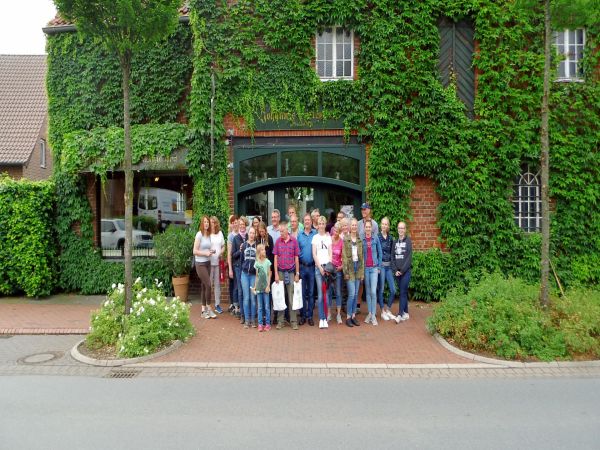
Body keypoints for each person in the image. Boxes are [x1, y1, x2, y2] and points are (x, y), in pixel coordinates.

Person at [273, 220, 300, 330]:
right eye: (279, 231)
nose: (280, 233)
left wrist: (297, 273)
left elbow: (296, 258)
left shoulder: (294, 241)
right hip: (280, 272)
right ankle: (280, 321)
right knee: (280, 297)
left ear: (287, 230)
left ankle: (293, 321)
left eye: (282, 231)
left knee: (291, 298)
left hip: (291, 272)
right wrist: (276, 274)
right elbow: (275, 258)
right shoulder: (278, 242)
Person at [193, 216, 216, 319]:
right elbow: (194, 251)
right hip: (200, 264)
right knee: (209, 285)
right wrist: (205, 253)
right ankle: (209, 308)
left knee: (204, 286)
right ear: (202, 224)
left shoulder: (209, 235)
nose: (206, 224)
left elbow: (207, 248)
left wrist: (211, 251)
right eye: (205, 222)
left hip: (207, 263)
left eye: (208, 222)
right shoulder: (199, 235)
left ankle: (203, 311)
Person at [342, 218, 364, 327]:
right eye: (353, 225)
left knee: (355, 294)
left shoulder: (359, 240)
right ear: (350, 227)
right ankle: (348, 317)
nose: (354, 227)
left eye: (356, 225)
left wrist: (362, 272)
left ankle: (353, 316)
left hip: (357, 269)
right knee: (351, 293)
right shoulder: (346, 239)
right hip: (350, 269)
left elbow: (362, 257)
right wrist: (345, 272)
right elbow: (344, 257)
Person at [312, 216, 333, 329]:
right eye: (319, 223)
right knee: (320, 295)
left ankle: (326, 317)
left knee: (327, 294)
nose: (321, 225)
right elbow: (314, 254)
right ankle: (322, 318)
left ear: (325, 225)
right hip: (318, 268)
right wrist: (320, 267)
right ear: (317, 225)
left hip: (327, 268)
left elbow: (330, 253)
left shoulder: (328, 238)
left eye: (323, 223)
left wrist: (328, 267)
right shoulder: (315, 237)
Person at [297, 213, 316, 326]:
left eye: (308, 220)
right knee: (302, 293)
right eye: (305, 220)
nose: (307, 222)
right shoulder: (299, 235)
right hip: (302, 267)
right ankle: (303, 316)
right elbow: (297, 252)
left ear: (311, 221)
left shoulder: (315, 234)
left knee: (311, 293)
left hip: (312, 267)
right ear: (303, 222)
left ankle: (310, 316)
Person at [392, 221, 412, 323]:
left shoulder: (408, 241)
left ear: (405, 229)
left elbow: (409, 258)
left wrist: (402, 271)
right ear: (397, 229)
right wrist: (395, 270)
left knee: (402, 292)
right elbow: (392, 257)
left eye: (402, 228)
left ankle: (400, 314)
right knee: (402, 292)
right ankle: (406, 313)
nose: (401, 230)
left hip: (405, 272)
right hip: (397, 273)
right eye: (399, 228)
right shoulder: (395, 242)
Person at [363, 221, 382, 326]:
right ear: (364, 228)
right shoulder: (362, 240)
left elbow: (380, 253)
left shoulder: (376, 238)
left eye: (369, 227)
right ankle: (369, 313)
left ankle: (373, 315)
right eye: (366, 227)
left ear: (372, 228)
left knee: (373, 292)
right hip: (366, 268)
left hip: (374, 268)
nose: (368, 228)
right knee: (368, 292)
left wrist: (379, 266)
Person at [377, 217, 397, 321]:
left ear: (388, 226)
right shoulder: (377, 237)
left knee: (393, 290)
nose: (384, 226)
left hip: (389, 267)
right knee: (381, 290)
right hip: (381, 266)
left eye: (386, 224)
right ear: (381, 225)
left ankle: (388, 309)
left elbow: (393, 253)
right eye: (383, 224)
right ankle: (382, 311)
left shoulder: (391, 238)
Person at [240, 226, 258, 328]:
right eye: (250, 233)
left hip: (253, 275)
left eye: (253, 233)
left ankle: (253, 320)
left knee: (253, 298)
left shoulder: (257, 246)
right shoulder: (244, 245)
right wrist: (243, 269)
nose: (251, 235)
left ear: (255, 234)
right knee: (246, 298)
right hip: (244, 275)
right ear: (248, 234)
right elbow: (241, 260)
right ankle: (247, 320)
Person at [252, 243, 272, 332]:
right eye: (263, 250)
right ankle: (260, 324)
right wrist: (255, 287)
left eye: (264, 249)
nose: (265, 251)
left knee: (267, 307)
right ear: (259, 252)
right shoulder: (256, 263)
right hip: (259, 288)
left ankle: (267, 324)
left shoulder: (267, 262)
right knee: (260, 307)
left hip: (266, 288)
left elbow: (269, 274)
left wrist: (268, 286)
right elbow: (256, 276)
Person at [231, 216, 248, 319]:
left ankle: (247, 311)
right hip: (238, 267)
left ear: (246, 225)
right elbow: (233, 255)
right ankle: (242, 313)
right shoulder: (235, 238)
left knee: (247, 290)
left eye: (243, 224)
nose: (242, 226)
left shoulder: (249, 236)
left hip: (247, 267)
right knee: (240, 290)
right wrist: (240, 250)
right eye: (240, 224)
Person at [209, 216, 226, 314]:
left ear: (216, 223)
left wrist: (221, 252)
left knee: (217, 284)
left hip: (218, 262)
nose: (212, 224)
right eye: (211, 222)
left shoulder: (220, 233)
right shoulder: (207, 234)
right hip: (209, 263)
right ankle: (207, 305)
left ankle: (217, 305)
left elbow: (223, 246)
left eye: (214, 222)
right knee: (208, 284)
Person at [330, 221, 344, 324]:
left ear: (340, 232)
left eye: (337, 231)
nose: (335, 233)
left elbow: (344, 257)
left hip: (338, 270)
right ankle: (329, 314)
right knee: (329, 292)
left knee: (338, 292)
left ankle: (338, 314)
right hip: (329, 270)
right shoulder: (329, 240)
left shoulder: (342, 242)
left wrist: (341, 267)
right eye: (334, 230)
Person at [226, 215, 239, 314]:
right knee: (234, 285)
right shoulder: (231, 236)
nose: (235, 224)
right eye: (233, 223)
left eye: (236, 222)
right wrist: (230, 268)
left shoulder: (242, 233)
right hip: (234, 264)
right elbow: (229, 254)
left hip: (241, 264)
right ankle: (235, 306)